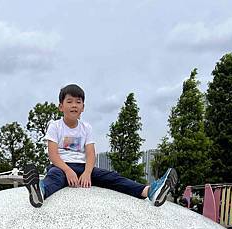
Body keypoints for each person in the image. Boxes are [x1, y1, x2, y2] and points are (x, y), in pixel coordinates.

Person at [23, 84, 177, 208]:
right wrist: (68, 171)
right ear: (61, 106)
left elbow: (90, 154)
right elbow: (53, 155)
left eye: (78, 102)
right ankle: (40, 191)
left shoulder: (86, 128)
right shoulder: (55, 126)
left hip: (83, 167)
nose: (74, 105)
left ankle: (149, 191)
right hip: (61, 167)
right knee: (54, 178)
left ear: (83, 107)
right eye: (69, 101)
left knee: (112, 177)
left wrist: (87, 173)